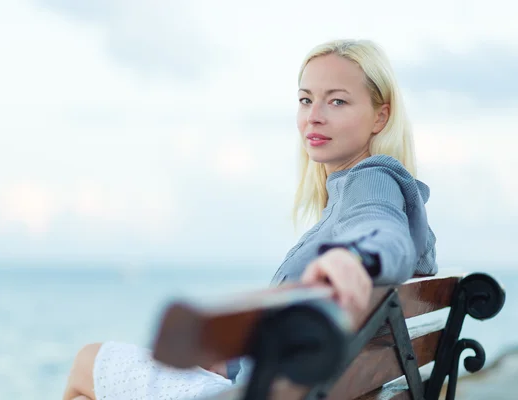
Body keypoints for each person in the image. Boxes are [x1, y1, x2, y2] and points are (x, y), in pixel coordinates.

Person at [62, 38, 438, 400]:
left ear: (380, 116)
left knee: (86, 362)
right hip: (283, 384)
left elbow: (383, 230)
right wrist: (233, 361)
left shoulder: (372, 180)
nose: (314, 117)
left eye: (337, 102)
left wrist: (357, 257)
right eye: (305, 100)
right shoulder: (360, 191)